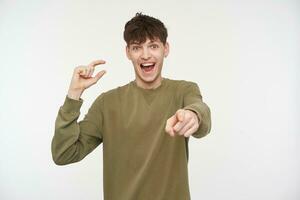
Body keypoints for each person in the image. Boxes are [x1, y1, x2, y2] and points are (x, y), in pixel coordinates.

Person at [51, 12, 211, 200]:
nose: (145, 55)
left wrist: (193, 114)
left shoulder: (183, 91)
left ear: (165, 49)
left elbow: (201, 115)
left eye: (153, 46)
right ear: (128, 52)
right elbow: (64, 154)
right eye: (137, 48)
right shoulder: (107, 103)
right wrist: (73, 96)